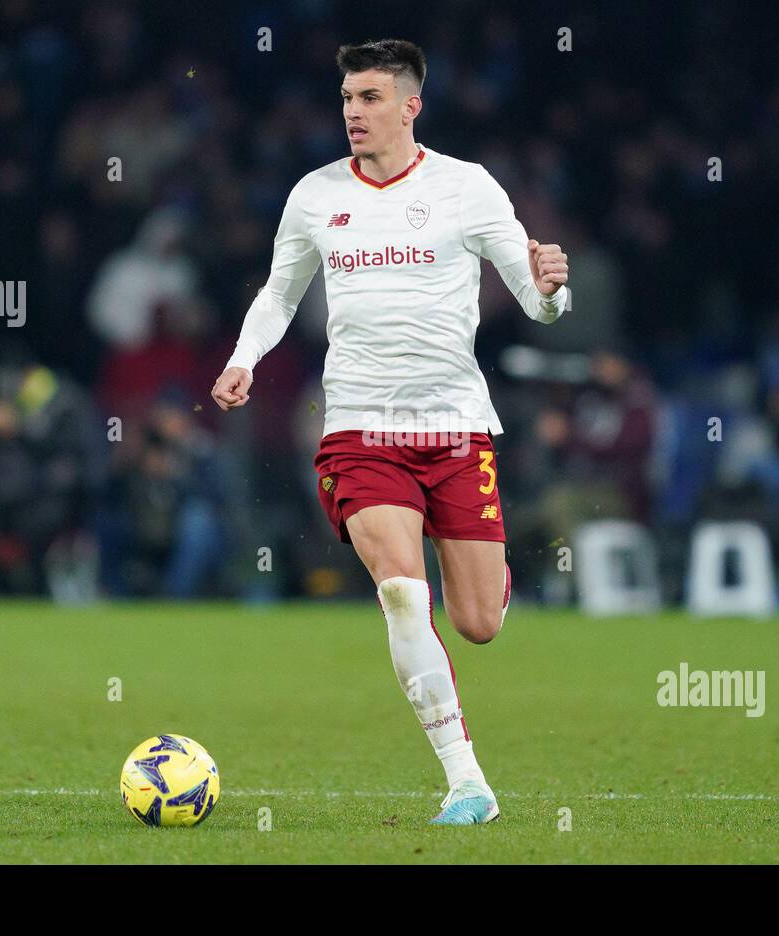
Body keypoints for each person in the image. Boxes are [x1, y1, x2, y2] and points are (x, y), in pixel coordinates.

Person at [210, 38, 571, 825]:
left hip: (454, 429)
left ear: (411, 106)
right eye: (346, 98)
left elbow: (536, 297)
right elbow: (278, 293)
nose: (352, 113)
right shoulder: (314, 196)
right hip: (359, 429)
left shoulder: (467, 188)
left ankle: (489, 579)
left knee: (476, 623)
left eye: (370, 97)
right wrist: (245, 358)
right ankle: (466, 780)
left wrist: (552, 292)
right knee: (404, 596)